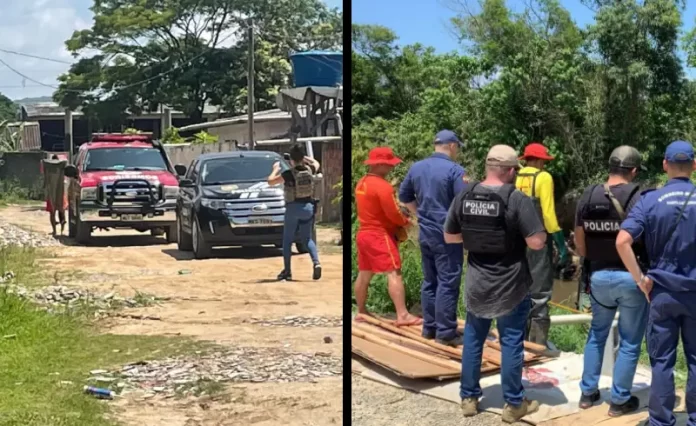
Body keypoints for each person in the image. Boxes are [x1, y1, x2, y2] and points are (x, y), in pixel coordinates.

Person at [444, 145, 546, 423]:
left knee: (473, 340)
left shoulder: (464, 195)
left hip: (477, 282)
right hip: (511, 285)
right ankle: (514, 404)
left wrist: (479, 241)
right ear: (511, 170)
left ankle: (468, 398)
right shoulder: (516, 199)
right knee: (511, 342)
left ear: (488, 166)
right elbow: (536, 242)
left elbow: (450, 237)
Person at [616, 140, 696, 426]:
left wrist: (640, 280)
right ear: (694, 166)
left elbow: (623, 241)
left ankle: (661, 421)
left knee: (663, 361)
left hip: (661, 293)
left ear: (665, 164)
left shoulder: (650, 200)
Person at [574, 146, 647, 416]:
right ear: (634, 170)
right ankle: (619, 401)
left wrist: (590, 260)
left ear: (610, 167)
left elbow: (579, 238)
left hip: (598, 276)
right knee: (629, 341)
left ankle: (587, 393)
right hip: (631, 278)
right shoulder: (639, 196)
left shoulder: (589, 194)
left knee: (596, 334)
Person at [398, 129, 467, 347]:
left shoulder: (417, 167)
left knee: (430, 281)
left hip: (425, 232)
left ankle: (429, 328)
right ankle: (446, 332)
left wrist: (419, 214)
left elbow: (404, 196)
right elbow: (463, 203)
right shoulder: (455, 171)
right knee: (448, 281)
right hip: (448, 235)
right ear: (453, 146)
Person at [354, 146, 422, 326]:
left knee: (364, 273)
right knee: (394, 272)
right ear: (381, 165)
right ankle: (403, 315)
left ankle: (361, 311)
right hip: (379, 235)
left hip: (363, 234)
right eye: (390, 164)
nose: (392, 168)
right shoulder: (383, 187)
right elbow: (393, 214)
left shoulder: (362, 183)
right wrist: (406, 222)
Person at [515, 142, 567, 346]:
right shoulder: (543, 177)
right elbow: (548, 215)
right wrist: (561, 246)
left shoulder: (515, 176)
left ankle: (518, 339)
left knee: (519, 291)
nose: (545, 165)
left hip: (517, 241)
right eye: (544, 161)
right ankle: (537, 344)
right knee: (540, 292)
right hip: (538, 241)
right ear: (538, 161)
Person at [267, 144, 321, 281]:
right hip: (308, 207)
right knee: (307, 238)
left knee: (287, 241)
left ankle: (287, 271)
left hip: (293, 208)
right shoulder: (310, 169)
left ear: (291, 159)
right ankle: (316, 262)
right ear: (302, 158)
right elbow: (316, 163)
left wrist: (275, 169)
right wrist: (305, 158)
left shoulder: (288, 174)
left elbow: (270, 182)